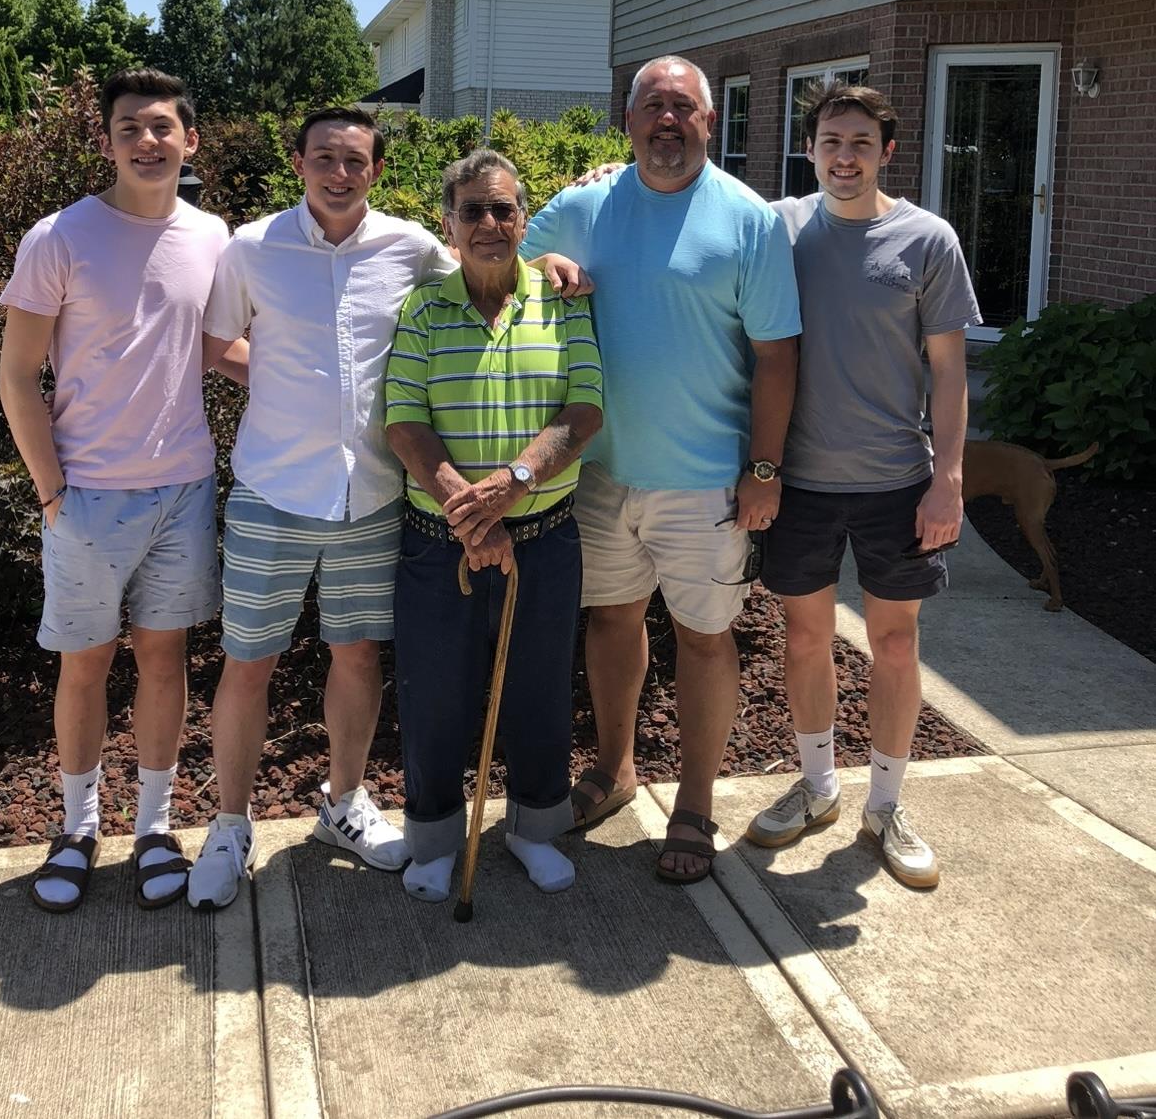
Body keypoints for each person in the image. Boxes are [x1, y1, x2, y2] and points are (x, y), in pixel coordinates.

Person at [187, 108, 588, 909]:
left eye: (356, 160)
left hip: (369, 495)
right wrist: (281, 387)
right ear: (298, 160)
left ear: (375, 170)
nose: (339, 172)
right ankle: (230, 825)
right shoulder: (251, 247)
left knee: (358, 656)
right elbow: (213, 340)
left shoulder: (409, 246)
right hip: (275, 486)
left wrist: (546, 256)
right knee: (248, 662)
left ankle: (343, 803)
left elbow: (485, 268)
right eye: (325, 157)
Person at [522, 56, 802, 883]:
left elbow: (778, 357)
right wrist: (545, 267)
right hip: (601, 472)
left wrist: (763, 467)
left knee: (704, 638)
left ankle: (695, 803)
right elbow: (498, 262)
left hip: (706, 479)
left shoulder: (748, 221)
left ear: (710, 123)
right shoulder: (585, 203)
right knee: (610, 623)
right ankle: (614, 771)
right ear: (629, 119)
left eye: (684, 106)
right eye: (653, 105)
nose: (668, 119)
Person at [0, 68, 241, 912]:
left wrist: (313, 381)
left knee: (164, 657)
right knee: (85, 663)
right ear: (106, 141)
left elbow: (215, 349)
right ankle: (75, 829)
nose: (148, 140)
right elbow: (18, 378)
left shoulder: (214, 236)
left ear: (190, 141)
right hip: (88, 497)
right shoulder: (58, 236)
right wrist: (50, 491)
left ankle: (153, 826)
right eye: (130, 126)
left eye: (163, 126)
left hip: (184, 487)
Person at [745, 80, 980, 890]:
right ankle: (817, 787)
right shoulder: (779, 228)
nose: (844, 157)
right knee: (806, 639)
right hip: (801, 482)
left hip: (895, 484)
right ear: (810, 149)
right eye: (830, 142)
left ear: (887, 151)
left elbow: (949, 373)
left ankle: (885, 804)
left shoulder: (927, 240)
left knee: (894, 643)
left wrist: (947, 479)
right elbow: (699, 215)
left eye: (860, 143)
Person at [384, 149, 603, 903]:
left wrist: (515, 483)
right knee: (434, 694)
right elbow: (405, 422)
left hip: (543, 538)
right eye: (472, 210)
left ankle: (535, 831)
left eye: (503, 209)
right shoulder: (422, 306)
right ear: (447, 224)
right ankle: (435, 839)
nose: (488, 223)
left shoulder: (563, 300)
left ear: (522, 220)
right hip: (438, 545)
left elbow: (584, 410)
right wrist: (468, 512)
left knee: (540, 691)